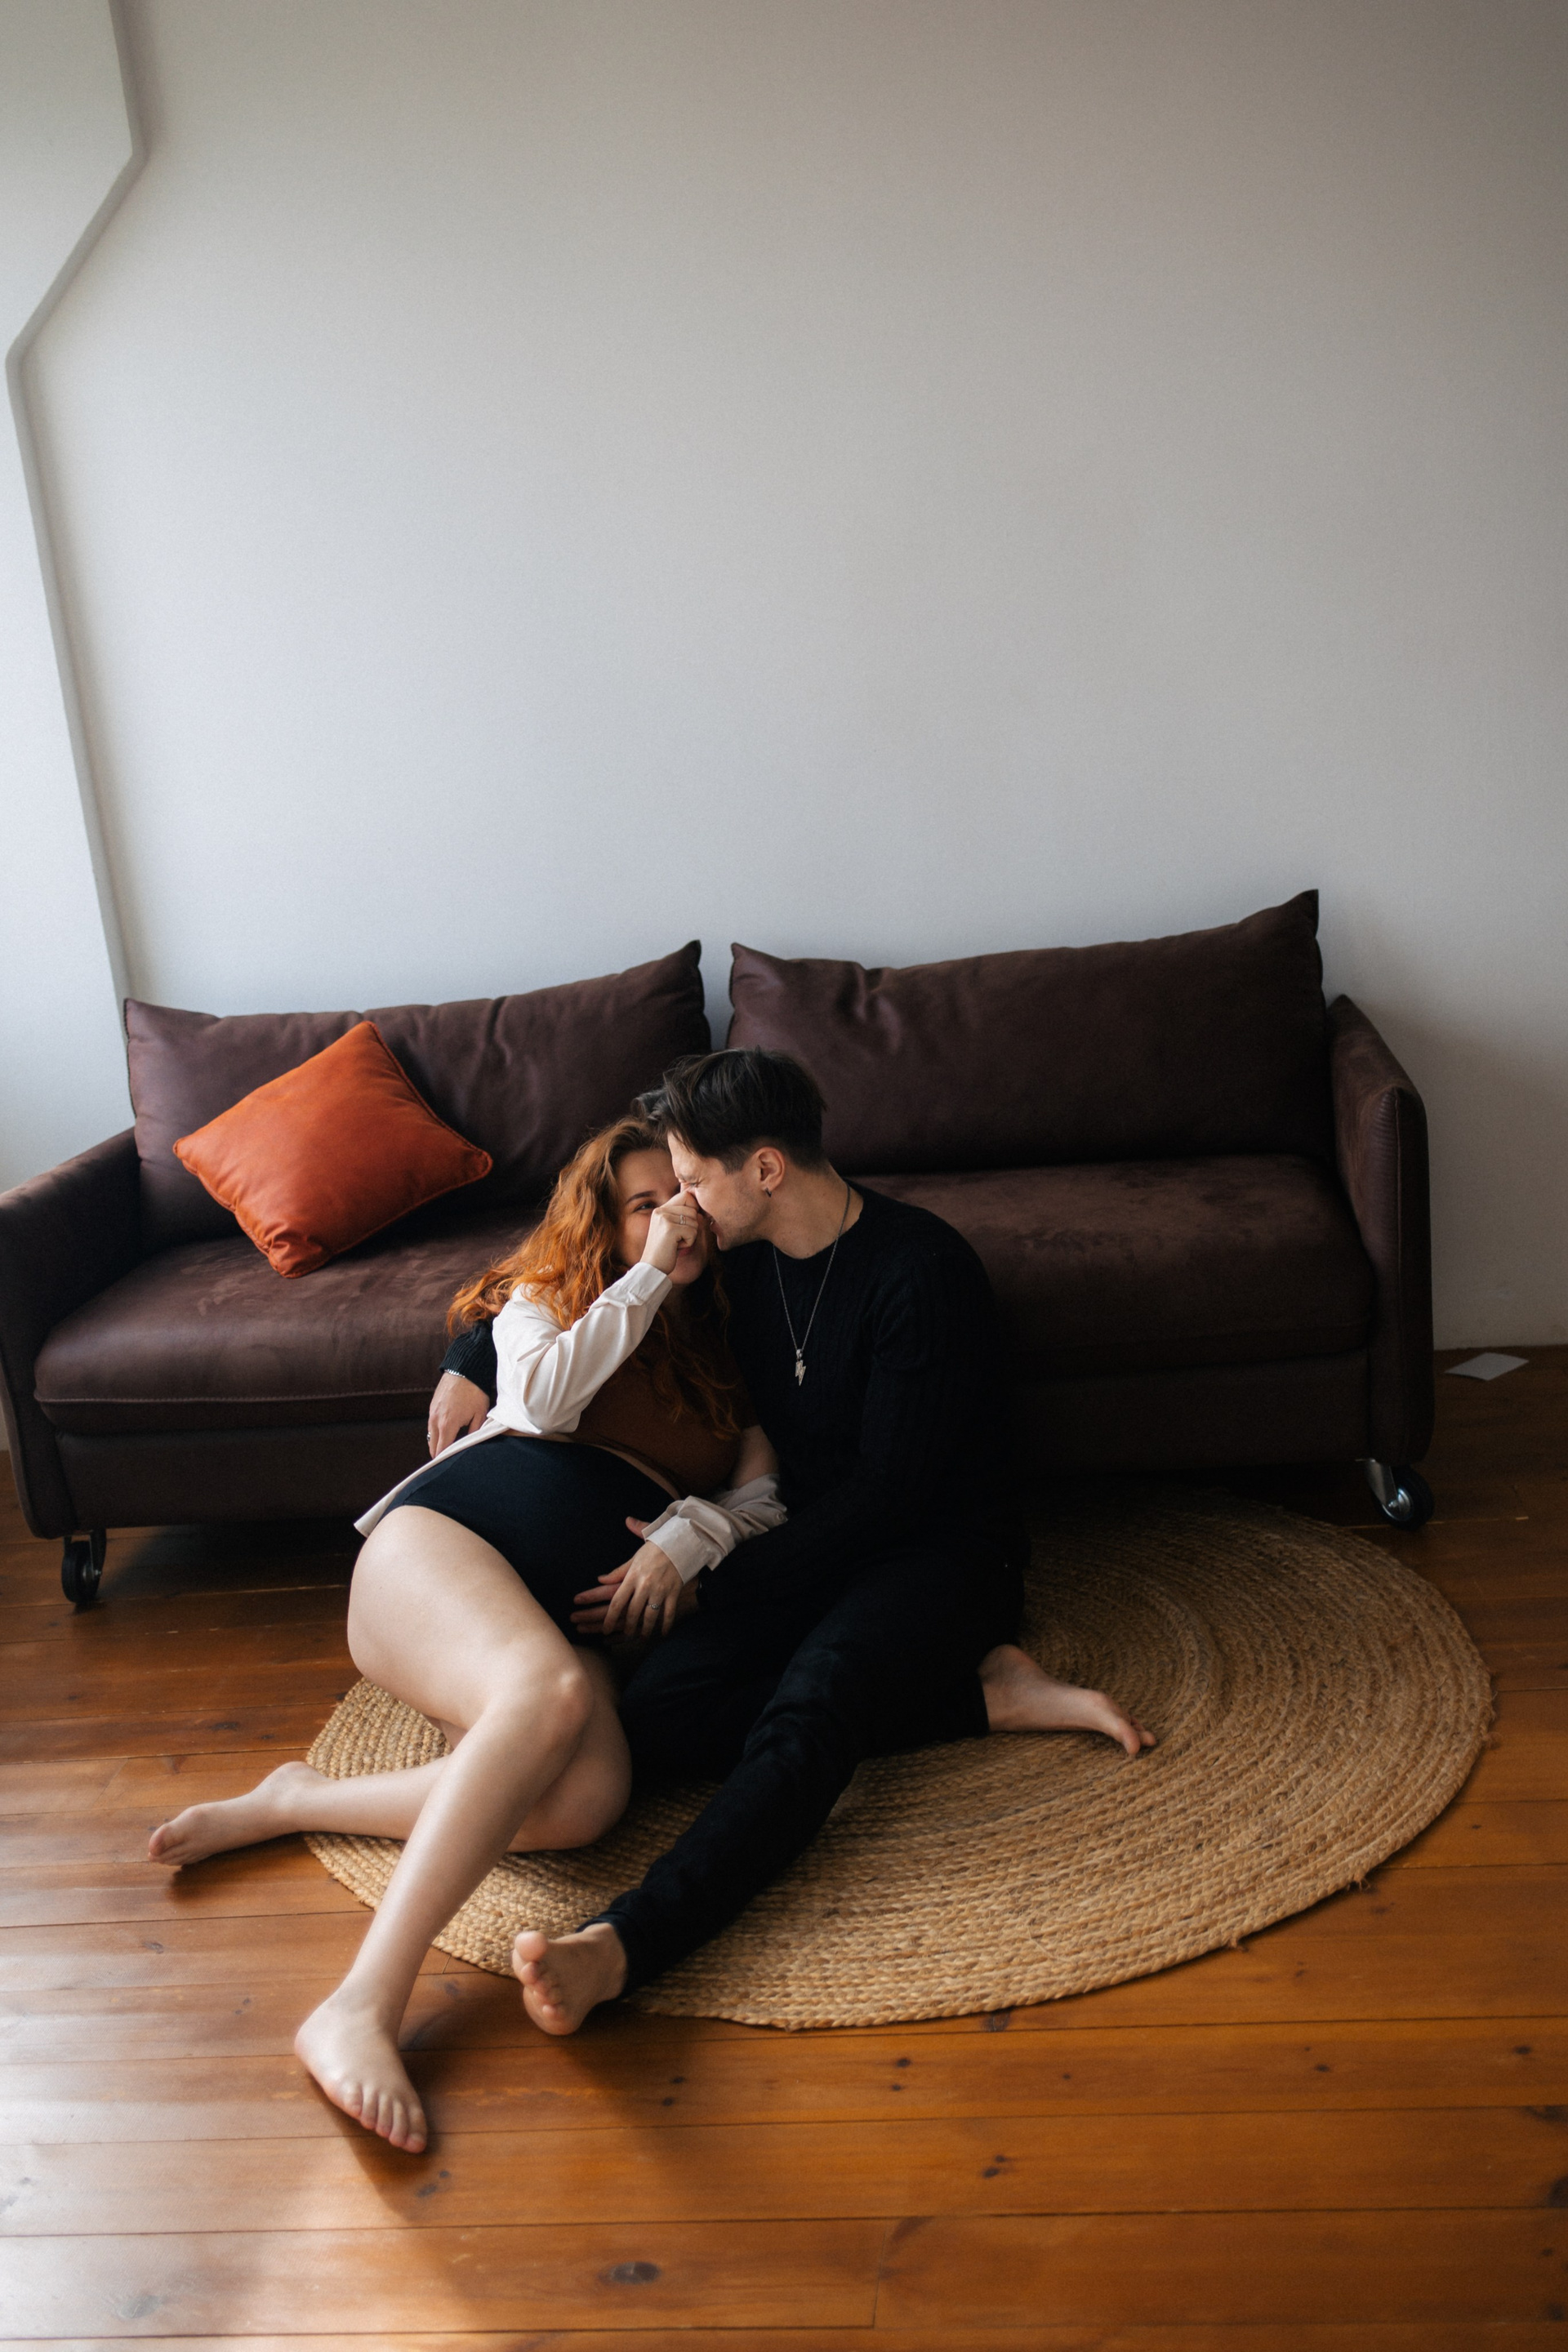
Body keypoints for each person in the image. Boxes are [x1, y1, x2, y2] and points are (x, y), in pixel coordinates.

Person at [443, 1049, 1153, 2040]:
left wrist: (712, 1578)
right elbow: (571, 1260)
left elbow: (890, 1501)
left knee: (810, 1711)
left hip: (938, 1553)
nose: (681, 1206)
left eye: (693, 1181)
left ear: (766, 1170)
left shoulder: (920, 1271)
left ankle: (623, 1942)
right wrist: (471, 1356)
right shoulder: (740, 1261)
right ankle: (976, 1699)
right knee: (655, 1716)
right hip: (806, 1542)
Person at [146, 1116, 785, 2154]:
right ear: (604, 1226)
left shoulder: (718, 1357)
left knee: (586, 1798)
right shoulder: (548, 1304)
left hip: (558, 1622)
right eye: (645, 1203)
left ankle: (299, 1800)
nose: (676, 1215)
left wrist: (688, 1537)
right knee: (549, 1696)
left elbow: (761, 1495)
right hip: (443, 1546)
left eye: (682, 1196)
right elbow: (544, 1401)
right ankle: (359, 2004)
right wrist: (644, 1280)